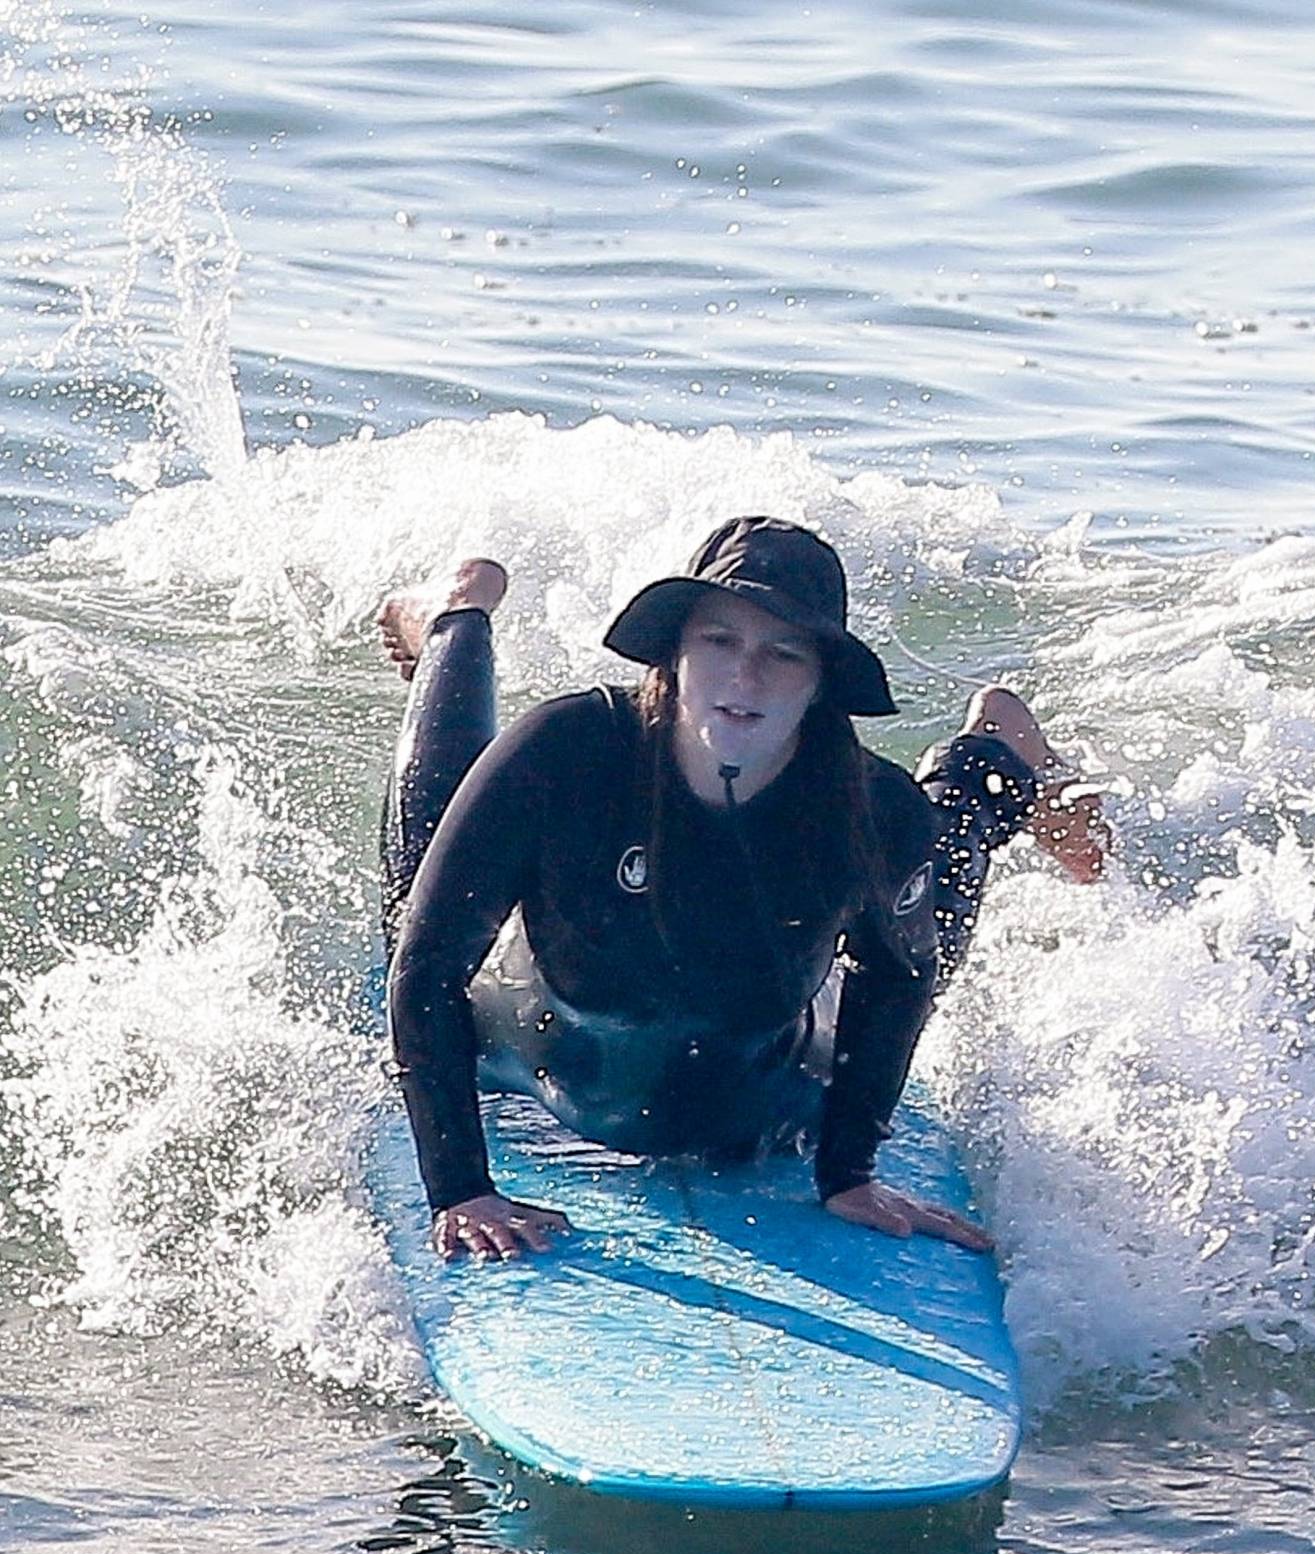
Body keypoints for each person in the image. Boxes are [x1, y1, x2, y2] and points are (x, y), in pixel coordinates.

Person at [380, 518, 1106, 1264]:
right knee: (414, 911)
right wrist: (461, 1188)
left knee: (926, 931)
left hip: (765, 1084)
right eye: (720, 641)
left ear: (823, 681)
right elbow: (427, 965)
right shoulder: (569, 750)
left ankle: (992, 756)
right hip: (518, 1043)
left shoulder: (873, 812)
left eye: (782, 653)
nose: (744, 678)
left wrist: (848, 1172)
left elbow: (899, 978)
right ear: (676, 652)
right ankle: (458, 616)